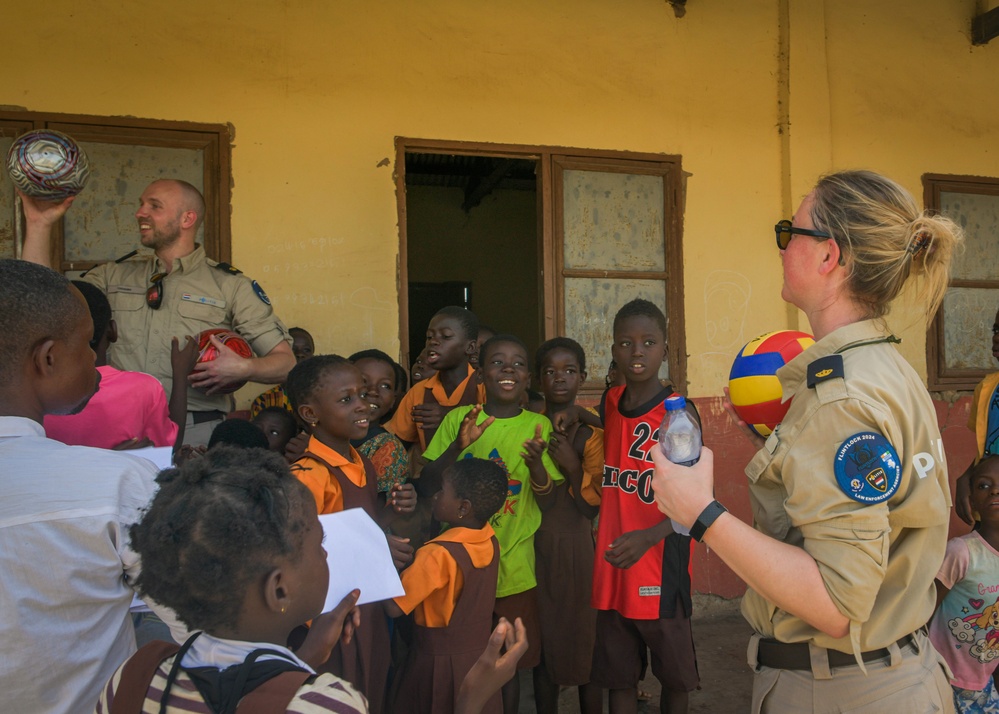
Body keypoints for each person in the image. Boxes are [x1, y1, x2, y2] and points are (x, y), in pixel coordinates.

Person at [651, 170, 962, 713]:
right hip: (891, 675)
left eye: (788, 231)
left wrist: (699, 511)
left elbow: (835, 603)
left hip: (843, 690)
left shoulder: (842, 398)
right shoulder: (886, 365)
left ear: (828, 257)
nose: (781, 246)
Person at [97, 445, 530, 714]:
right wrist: (471, 701)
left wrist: (305, 656)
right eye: (322, 544)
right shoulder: (324, 703)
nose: (329, 553)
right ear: (279, 588)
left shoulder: (135, 673)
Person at [0, 259, 178, 713]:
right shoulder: (117, 483)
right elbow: (203, 624)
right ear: (48, 358)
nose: (96, 361)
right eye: (86, 343)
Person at [18, 180, 296, 446]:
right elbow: (43, 300)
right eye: (141, 205)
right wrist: (39, 225)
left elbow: (287, 363)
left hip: (195, 432)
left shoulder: (230, 286)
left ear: (187, 219)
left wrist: (243, 367)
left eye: (155, 206)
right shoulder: (110, 276)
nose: (140, 213)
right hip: (115, 426)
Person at [421, 334, 564, 713]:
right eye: (498, 362)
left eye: (517, 363)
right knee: (461, 657)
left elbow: (548, 502)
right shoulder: (459, 419)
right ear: (481, 373)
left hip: (515, 569)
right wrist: (458, 446)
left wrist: (535, 464)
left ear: (528, 378)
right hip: (457, 568)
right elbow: (427, 483)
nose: (508, 370)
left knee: (508, 666)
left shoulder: (538, 426)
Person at [583, 299, 699, 714]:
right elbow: (604, 427)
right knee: (618, 678)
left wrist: (649, 537)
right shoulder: (611, 402)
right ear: (612, 349)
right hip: (614, 563)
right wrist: (576, 420)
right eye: (625, 343)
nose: (637, 352)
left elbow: (697, 503)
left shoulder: (680, 416)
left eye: (648, 342)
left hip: (659, 563)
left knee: (675, 677)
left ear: (665, 350)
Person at [286, 354, 417, 713]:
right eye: (346, 399)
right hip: (331, 619)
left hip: (364, 607)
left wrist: (392, 512)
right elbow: (303, 553)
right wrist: (377, 547)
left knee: (369, 691)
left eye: (361, 394)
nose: (363, 404)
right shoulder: (309, 475)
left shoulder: (360, 462)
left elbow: (359, 525)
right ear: (311, 414)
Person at [385, 458, 508, 714]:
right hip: (479, 662)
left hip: (435, 665)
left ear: (463, 507)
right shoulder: (489, 540)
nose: (436, 496)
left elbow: (394, 607)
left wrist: (380, 558)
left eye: (442, 491)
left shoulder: (437, 554)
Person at [532, 337, 603, 714]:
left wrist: (571, 467)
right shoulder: (529, 427)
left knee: (582, 643)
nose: (559, 379)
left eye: (569, 371)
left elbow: (590, 510)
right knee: (544, 646)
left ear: (582, 377)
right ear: (538, 379)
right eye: (550, 372)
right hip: (534, 546)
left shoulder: (590, 436)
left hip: (576, 549)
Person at [43, 280, 197, 450]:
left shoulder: (40, 392)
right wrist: (180, 374)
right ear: (112, 331)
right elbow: (169, 447)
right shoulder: (143, 388)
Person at [929, 455, 999, 713]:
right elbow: (923, 610)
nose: (995, 490)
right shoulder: (961, 552)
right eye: (983, 485)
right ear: (970, 498)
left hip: (983, 684)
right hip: (941, 677)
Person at [387, 307, 486, 455]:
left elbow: (499, 429)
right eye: (429, 337)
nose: (433, 342)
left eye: (445, 336)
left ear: (470, 347)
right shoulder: (418, 392)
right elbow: (397, 446)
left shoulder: (484, 387)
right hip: (433, 475)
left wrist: (449, 417)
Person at [954, 305, 999, 525]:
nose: (997, 338)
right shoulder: (988, 388)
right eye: (996, 330)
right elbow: (990, 448)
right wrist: (968, 476)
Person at [348, 349, 411, 494]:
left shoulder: (388, 447)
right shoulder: (319, 434)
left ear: (393, 400)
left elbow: (379, 506)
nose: (373, 391)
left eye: (385, 386)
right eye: (363, 381)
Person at [251, 326, 317, 417]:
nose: (300, 354)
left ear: (313, 357)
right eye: (293, 349)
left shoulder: (326, 397)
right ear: (283, 357)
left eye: (306, 350)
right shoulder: (265, 401)